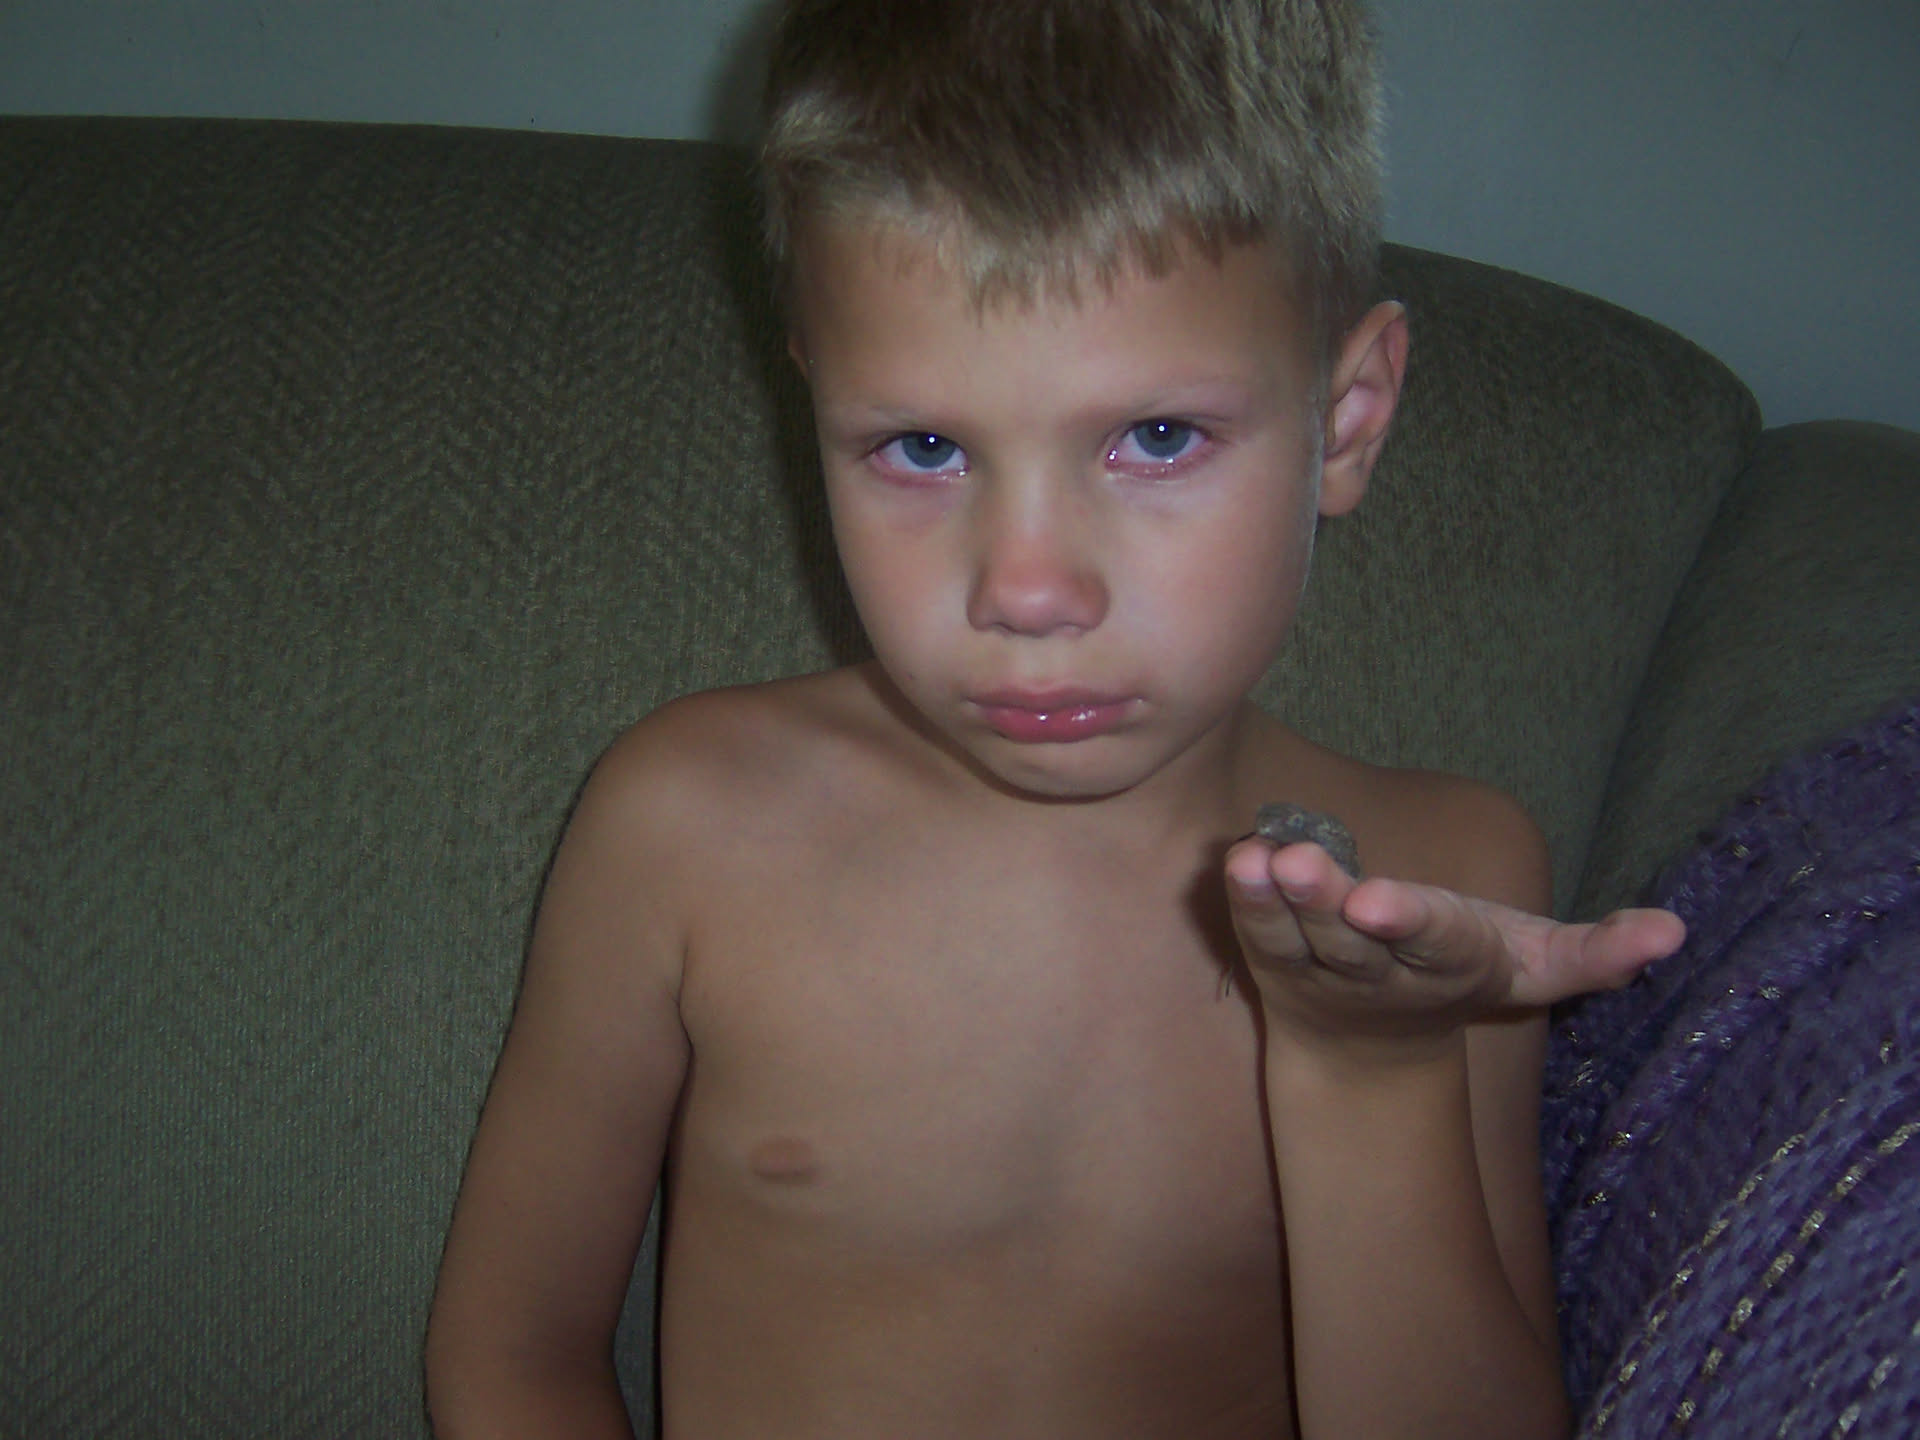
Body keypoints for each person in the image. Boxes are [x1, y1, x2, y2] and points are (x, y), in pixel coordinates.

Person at [424, 2, 1686, 1435]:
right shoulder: (688, 825)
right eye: (923, 446)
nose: (1026, 589)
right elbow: (513, 1350)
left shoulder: (1439, 878)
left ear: (1345, 421)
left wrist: (1371, 1071)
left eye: (1156, 438)